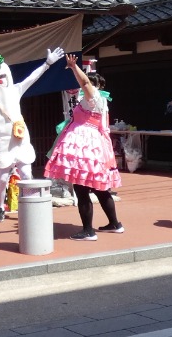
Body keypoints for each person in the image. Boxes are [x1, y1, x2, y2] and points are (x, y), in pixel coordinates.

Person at [0, 47, 66, 222]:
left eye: (4, 77)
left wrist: (47, 64)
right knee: (2, 179)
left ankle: (30, 206)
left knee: (27, 175)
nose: (2, 81)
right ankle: (0, 208)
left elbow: (32, 78)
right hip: (1, 144)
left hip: (20, 140)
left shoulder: (15, 90)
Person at [44, 54, 122, 241]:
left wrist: (73, 67)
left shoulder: (93, 97)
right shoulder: (101, 101)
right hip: (96, 147)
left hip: (87, 148)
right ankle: (114, 224)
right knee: (100, 189)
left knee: (81, 187)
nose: (82, 87)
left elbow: (86, 83)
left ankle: (88, 230)